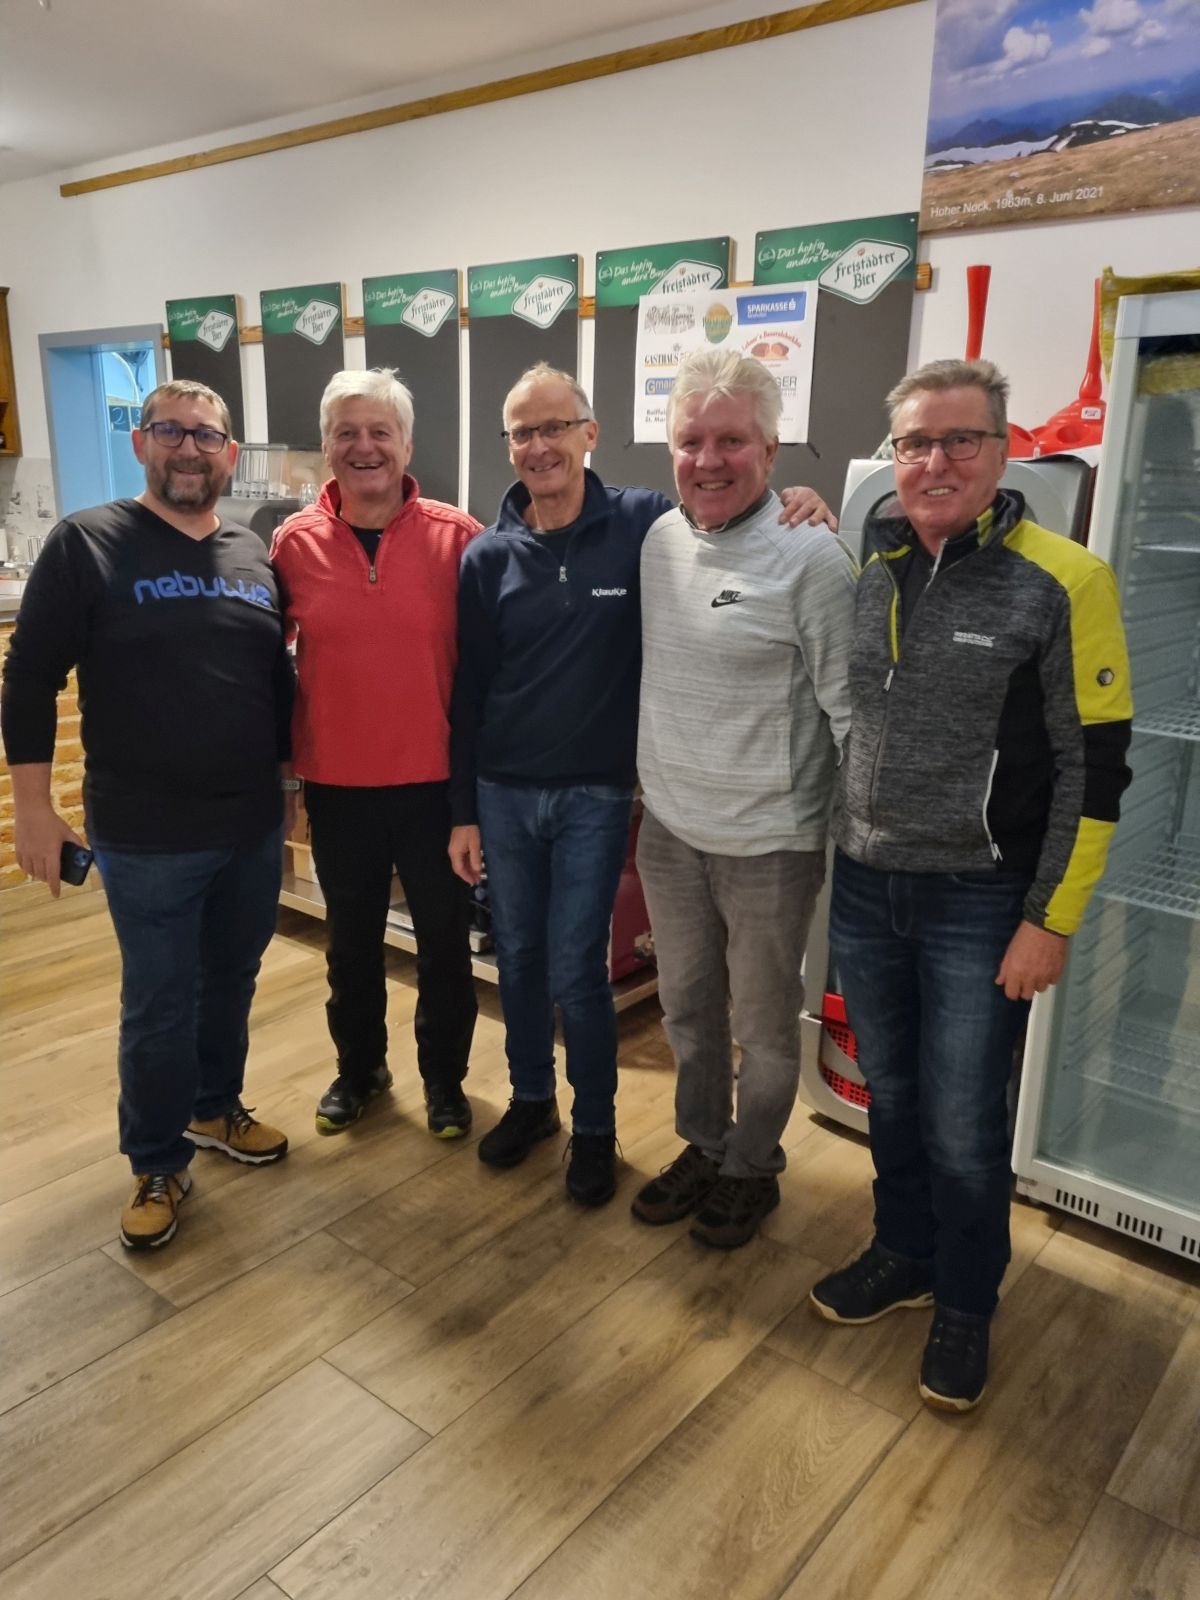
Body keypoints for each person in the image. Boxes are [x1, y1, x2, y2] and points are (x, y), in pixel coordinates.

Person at [809, 357, 1133, 1411]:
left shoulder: (1066, 580)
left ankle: (965, 1297)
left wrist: (1051, 919)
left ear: (1002, 453)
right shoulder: (875, 556)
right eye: (915, 443)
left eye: (960, 440)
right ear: (893, 456)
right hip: (867, 883)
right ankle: (903, 1251)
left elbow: (1096, 768)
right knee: (891, 1095)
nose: (935, 462)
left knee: (960, 1120)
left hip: (978, 900)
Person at [449, 362, 833, 1208]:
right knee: (524, 960)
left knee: (581, 971)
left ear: (591, 434)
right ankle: (535, 1102)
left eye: (556, 426)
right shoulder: (491, 555)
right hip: (518, 797)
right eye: (523, 431)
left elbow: (733, 505)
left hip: (603, 797)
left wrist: (802, 501)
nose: (540, 445)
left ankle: (600, 1131)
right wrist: (463, 812)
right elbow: (467, 692)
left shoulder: (642, 524)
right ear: (508, 445)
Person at [1, 379, 293, 1251]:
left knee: (232, 979)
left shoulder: (252, 551)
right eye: (171, 431)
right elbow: (29, 677)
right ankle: (158, 1159)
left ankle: (213, 1107)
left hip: (249, 824)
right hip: (146, 831)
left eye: (207, 436)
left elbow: (271, 682)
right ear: (141, 443)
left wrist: (288, 790)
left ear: (229, 454)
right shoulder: (87, 542)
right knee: (161, 1001)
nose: (189, 449)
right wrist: (33, 809)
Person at [629, 350, 855, 1248]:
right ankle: (704, 1142)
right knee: (687, 1010)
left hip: (770, 844)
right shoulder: (658, 541)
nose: (708, 460)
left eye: (731, 441)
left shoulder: (813, 558)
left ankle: (752, 1165)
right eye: (691, 441)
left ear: (770, 449)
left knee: (763, 1026)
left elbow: (850, 712)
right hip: (670, 832)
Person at [271, 370, 481, 1140]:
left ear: (407, 445)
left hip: (436, 792)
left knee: (444, 952)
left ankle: (445, 1082)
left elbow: (488, 669)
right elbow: (266, 665)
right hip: (338, 788)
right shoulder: (292, 545)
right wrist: (283, 777)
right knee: (351, 948)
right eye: (347, 433)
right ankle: (360, 1072)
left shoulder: (460, 538)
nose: (365, 447)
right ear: (327, 447)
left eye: (380, 432)